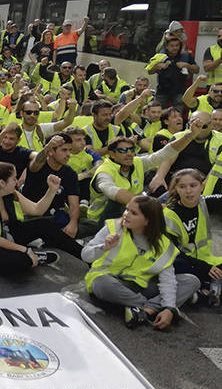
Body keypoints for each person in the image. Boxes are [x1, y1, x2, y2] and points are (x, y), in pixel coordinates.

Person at [83, 196, 200, 329]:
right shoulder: (113, 227)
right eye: (127, 210)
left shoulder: (164, 244)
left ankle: (143, 311)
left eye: (133, 213)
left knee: (192, 281)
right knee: (101, 283)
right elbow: (85, 255)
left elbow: (167, 281)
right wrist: (103, 248)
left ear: (147, 220)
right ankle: (151, 308)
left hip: (142, 287)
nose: (126, 215)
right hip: (111, 281)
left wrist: (169, 308)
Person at [0, 161, 85, 275]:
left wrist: (52, 190)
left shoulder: (10, 193)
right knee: (21, 262)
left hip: (4, 234)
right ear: (2, 183)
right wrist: (25, 250)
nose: (17, 181)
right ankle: (33, 257)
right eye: (14, 178)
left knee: (44, 224)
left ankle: (85, 255)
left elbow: (37, 210)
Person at [89, 127, 197, 221]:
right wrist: (152, 205)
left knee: (175, 192)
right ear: (112, 154)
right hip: (104, 220)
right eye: (123, 150)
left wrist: (189, 136)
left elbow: (164, 154)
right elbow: (114, 192)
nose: (129, 154)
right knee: (117, 202)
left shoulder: (137, 162)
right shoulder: (104, 171)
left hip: (133, 211)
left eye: (132, 150)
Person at [163, 168, 222, 306]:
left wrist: (207, 266)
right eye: (182, 187)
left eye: (193, 186)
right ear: (176, 189)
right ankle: (205, 290)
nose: (188, 191)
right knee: (177, 266)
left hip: (204, 259)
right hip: (181, 262)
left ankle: (204, 291)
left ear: (202, 186)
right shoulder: (169, 215)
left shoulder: (204, 203)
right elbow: (171, 254)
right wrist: (205, 268)